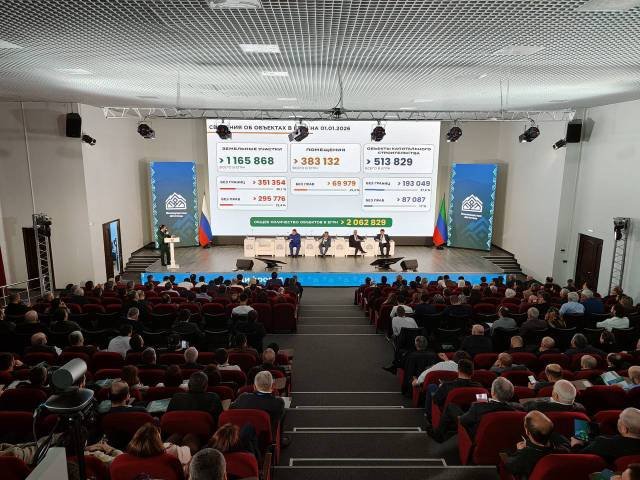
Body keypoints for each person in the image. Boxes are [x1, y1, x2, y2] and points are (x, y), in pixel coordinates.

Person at [430, 377, 521, 442]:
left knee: (451, 407)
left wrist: (473, 407)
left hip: (473, 434)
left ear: (493, 392)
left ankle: (438, 435)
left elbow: (463, 421)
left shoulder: (478, 407)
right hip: (497, 438)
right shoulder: (515, 411)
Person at [502, 410, 570, 478]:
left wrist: (519, 451)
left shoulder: (524, 457)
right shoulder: (564, 449)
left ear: (527, 432)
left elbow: (508, 466)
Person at [572, 408, 640, 463]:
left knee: (581, 424)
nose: (618, 421)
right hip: (624, 471)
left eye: (620, 418)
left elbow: (579, 458)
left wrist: (576, 445)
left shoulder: (603, 443)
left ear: (624, 429)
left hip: (605, 473)